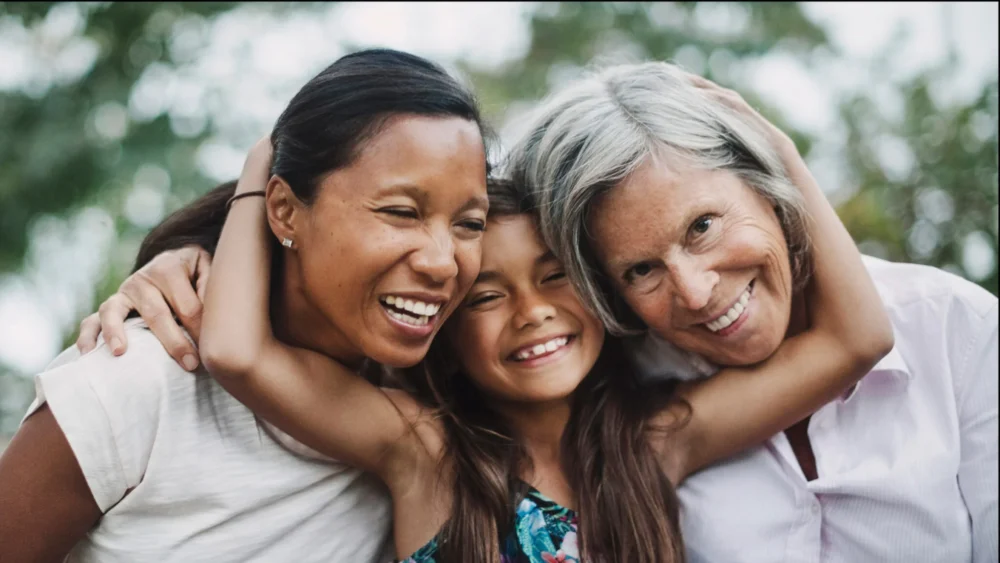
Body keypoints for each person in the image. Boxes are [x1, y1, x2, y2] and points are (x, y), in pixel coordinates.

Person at [79, 77, 891, 561]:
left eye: (553, 278)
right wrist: (267, 165)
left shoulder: (656, 441)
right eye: (487, 296)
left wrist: (773, 149)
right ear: (444, 326)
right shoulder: (422, 449)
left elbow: (860, 337)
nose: (533, 313)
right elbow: (234, 348)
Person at [0, 48, 492, 562]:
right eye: (400, 212)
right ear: (282, 209)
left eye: (470, 224)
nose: (443, 263)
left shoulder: (439, 410)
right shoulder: (136, 382)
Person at [504, 61, 999, 562]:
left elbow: (863, 338)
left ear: (766, 183)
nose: (695, 294)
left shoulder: (959, 329)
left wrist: (783, 152)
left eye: (702, 226)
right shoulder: (627, 405)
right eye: (640, 271)